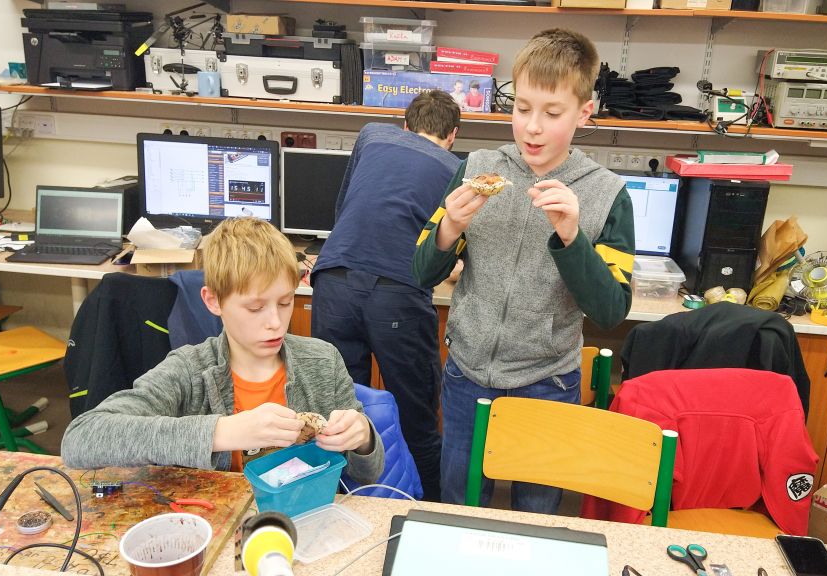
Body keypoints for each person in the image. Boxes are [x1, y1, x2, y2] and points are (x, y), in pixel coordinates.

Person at [412, 28, 635, 513]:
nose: (532, 127)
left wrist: (573, 238)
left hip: (548, 384)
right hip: (467, 375)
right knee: (460, 506)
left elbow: (611, 310)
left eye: (552, 114)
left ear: (584, 113)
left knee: (538, 513)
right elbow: (421, 272)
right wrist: (450, 227)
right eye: (522, 108)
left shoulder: (607, 194)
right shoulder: (477, 168)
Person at [62, 217, 384, 486]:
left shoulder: (323, 362)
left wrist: (363, 437)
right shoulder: (189, 372)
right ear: (213, 301)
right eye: (255, 308)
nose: (275, 323)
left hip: (305, 517)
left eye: (285, 302)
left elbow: (368, 473)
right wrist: (221, 432)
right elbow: (81, 439)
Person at [311, 90, 462, 502]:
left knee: (336, 415)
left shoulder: (373, 134)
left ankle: (337, 507)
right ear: (452, 135)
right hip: (398, 290)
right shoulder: (457, 170)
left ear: (406, 126)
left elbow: (347, 208)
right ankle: (427, 514)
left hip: (334, 277)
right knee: (417, 421)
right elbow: (442, 252)